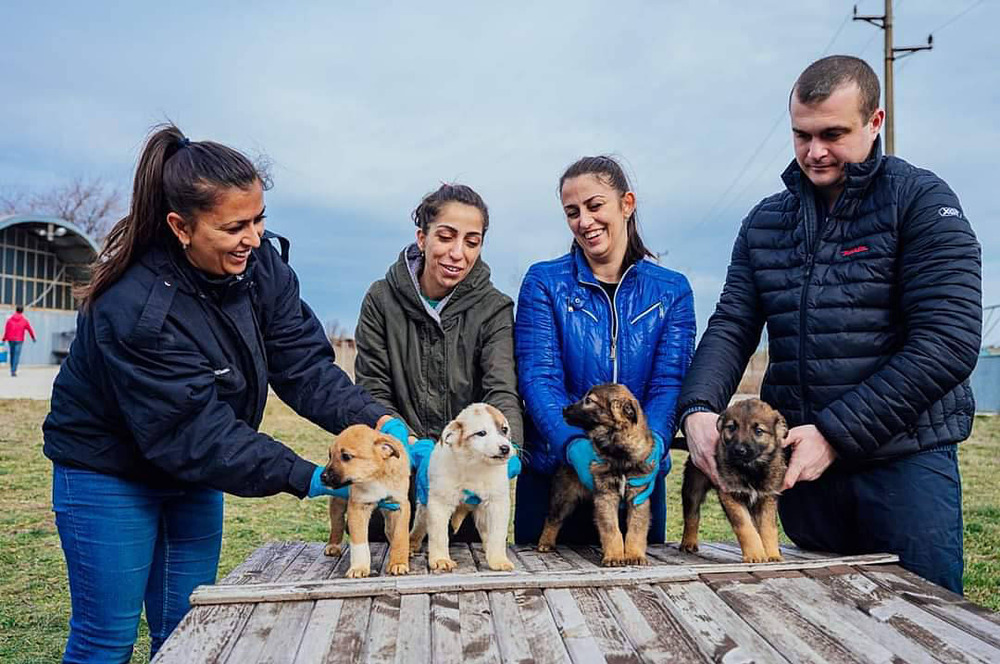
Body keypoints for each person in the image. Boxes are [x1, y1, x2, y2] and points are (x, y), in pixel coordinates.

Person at [42, 124, 408, 663]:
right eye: (235, 226)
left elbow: (302, 362)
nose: (254, 238)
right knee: (106, 639)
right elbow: (195, 430)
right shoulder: (136, 307)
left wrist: (379, 420)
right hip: (109, 470)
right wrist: (308, 477)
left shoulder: (258, 266)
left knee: (188, 627)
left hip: (193, 472)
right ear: (180, 226)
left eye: (260, 219)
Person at [677, 55, 981, 594]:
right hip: (803, 473)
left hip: (904, 470)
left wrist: (838, 434)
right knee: (812, 627)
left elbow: (948, 343)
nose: (815, 152)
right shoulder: (765, 222)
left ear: (875, 121)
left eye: (833, 134)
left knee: (923, 629)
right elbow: (731, 325)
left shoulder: (923, 203)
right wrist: (698, 408)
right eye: (801, 135)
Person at [514, 155, 696, 545]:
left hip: (636, 483)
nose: (584, 221)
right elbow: (538, 377)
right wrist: (572, 444)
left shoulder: (672, 291)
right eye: (572, 212)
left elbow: (669, 384)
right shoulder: (543, 282)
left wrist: (656, 444)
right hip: (557, 475)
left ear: (626, 204)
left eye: (595, 206)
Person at [354, 183, 522, 535]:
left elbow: (501, 389)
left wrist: (510, 447)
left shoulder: (494, 308)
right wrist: (408, 445)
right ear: (422, 237)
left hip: (468, 482)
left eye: (471, 242)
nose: (457, 253)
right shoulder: (381, 300)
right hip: (395, 476)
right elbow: (372, 388)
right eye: (446, 237)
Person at [3, 304, 36, 376]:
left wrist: (4, 339)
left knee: (12, 354)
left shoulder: (10, 320)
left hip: (10, 339)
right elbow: (30, 329)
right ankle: (13, 371)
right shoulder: (24, 321)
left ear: (16, 310)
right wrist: (33, 337)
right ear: (22, 311)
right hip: (19, 340)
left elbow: (7, 330)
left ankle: (12, 369)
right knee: (16, 355)